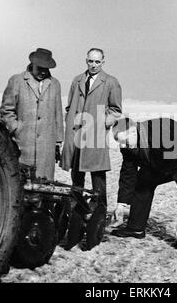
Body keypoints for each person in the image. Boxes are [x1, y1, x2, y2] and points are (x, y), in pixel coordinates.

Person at [110, 117, 177, 257]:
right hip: (159, 160)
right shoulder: (127, 146)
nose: (124, 145)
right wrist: (121, 204)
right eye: (120, 142)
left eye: (125, 141)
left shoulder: (161, 130)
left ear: (133, 131)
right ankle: (135, 228)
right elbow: (128, 173)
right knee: (142, 184)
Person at [60, 47, 122, 249]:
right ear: (86, 61)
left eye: (97, 62)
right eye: (90, 61)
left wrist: (103, 122)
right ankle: (76, 225)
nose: (93, 65)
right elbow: (69, 106)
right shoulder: (77, 80)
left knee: (98, 184)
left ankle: (97, 227)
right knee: (76, 182)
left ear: (103, 62)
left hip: (94, 137)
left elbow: (116, 110)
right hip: (76, 135)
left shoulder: (110, 82)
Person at [0, 48, 64, 181]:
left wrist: (58, 141)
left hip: (47, 147)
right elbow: (7, 110)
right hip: (23, 145)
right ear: (32, 64)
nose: (43, 72)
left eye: (46, 69)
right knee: (22, 185)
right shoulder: (17, 81)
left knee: (45, 187)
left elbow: (58, 113)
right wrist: (17, 129)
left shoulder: (55, 84)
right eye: (39, 68)